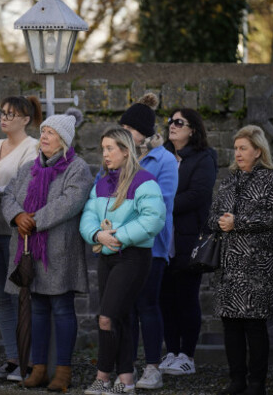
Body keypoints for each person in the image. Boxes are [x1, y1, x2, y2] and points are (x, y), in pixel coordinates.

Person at [1, 109, 92, 392]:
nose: (44, 137)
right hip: (28, 250)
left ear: (63, 139)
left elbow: (70, 202)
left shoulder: (78, 168)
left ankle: (63, 372)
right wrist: (17, 216)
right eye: (43, 132)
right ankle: (38, 368)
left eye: (50, 133)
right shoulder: (29, 167)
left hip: (60, 252)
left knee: (63, 309)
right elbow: (8, 196)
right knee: (36, 309)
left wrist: (33, 220)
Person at [81, 127, 166, 395]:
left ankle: (102, 377)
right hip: (107, 256)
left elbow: (153, 219)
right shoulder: (102, 182)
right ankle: (126, 378)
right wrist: (97, 234)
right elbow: (88, 215)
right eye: (103, 148)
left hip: (132, 257)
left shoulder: (145, 181)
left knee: (106, 318)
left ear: (126, 151)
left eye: (110, 148)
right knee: (121, 316)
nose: (105, 154)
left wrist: (118, 237)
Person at [209, 125, 273, 395]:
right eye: (236, 148)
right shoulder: (229, 180)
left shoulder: (271, 180)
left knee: (254, 326)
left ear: (257, 151)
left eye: (243, 148)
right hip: (230, 268)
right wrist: (220, 221)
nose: (238, 153)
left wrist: (238, 222)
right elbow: (213, 215)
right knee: (230, 325)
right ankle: (237, 381)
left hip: (257, 267)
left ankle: (257, 384)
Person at [116, 93, 177, 389]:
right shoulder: (117, 156)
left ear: (143, 132)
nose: (123, 135)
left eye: (129, 130)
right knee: (124, 309)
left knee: (148, 306)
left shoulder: (164, 159)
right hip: (120, 246)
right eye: (122, 129)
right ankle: (126, 369)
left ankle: (153, 367)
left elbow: (159, 204)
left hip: (151, 246)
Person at [0, 96, 42, 381]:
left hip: (15, 231)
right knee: (1, 297)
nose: (4, 118)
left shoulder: (32, 148)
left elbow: (22, 187)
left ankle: (27, 360)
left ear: (26, 120)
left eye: (11, 114)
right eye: (2, 113)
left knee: (20, 296)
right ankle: (11, 357)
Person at [159, 108, 217, 375]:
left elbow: (198, 195)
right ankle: (170, 352)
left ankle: (187, 356)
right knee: (164, 298)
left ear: (192, 129)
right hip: (161, 237)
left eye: (179, 122)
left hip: (188, 237)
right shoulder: (161, 155)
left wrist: (161, 205)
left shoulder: (205, 157)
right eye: (170, 121)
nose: (172, 125)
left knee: (186, 297)